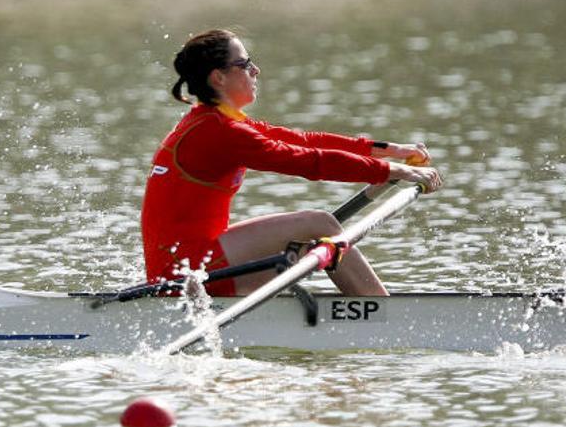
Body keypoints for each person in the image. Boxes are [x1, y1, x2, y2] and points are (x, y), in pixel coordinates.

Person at [141, 29, 442, 297]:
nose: (255, 70)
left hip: (190, 264)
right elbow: (307, 162)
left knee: (304, 245)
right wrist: (395, 170)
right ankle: (381, 315)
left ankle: (365, 311)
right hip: (186, 274)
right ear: (218, 77)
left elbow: (305, 141)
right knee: (318, 224)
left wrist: (390, 150)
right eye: (245, 64)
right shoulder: (219, 132)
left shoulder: (212, 122)